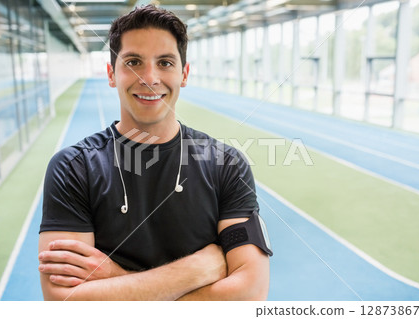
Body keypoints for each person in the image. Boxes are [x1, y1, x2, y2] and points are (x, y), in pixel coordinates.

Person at [38, 4, 272, 301]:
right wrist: (197, 270)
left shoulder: (226, 165)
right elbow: (63, 301)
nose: (149, 77)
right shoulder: (72, 168)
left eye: (165, 63)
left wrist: (116, 279)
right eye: (133, 61)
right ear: (111, 74)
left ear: (184, 74)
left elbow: (250, 294)